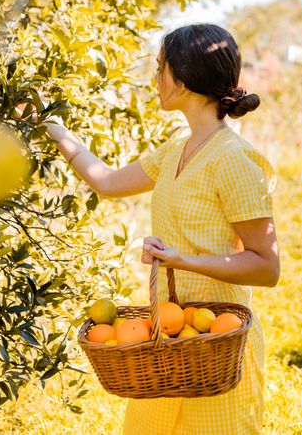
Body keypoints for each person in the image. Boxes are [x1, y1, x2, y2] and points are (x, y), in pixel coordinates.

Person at [43, 23, 280, 435]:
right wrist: (53, 128)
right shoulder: (176, 149)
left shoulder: (235, 161)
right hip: (166, 343)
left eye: (160, 68)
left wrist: (180, 259)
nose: (155, 78)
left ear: (184, 79)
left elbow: (266, 267)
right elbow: (107, 181)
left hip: (216, 345)